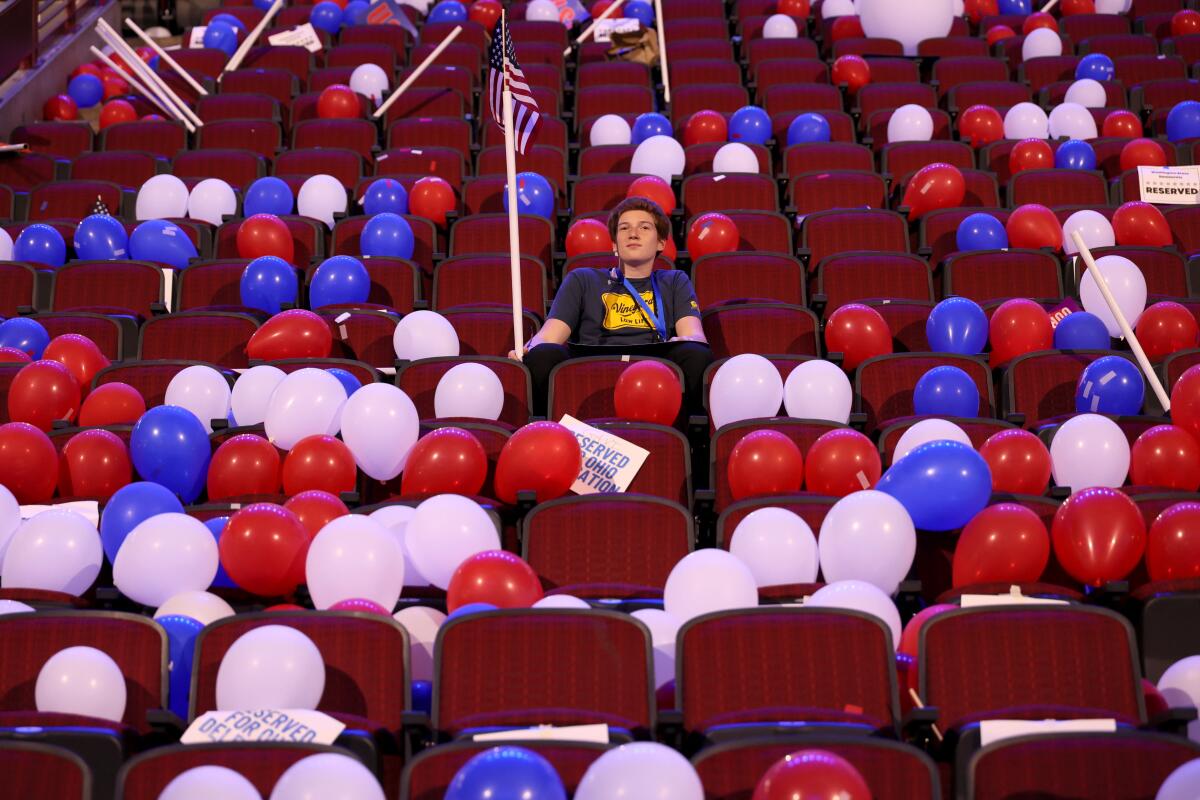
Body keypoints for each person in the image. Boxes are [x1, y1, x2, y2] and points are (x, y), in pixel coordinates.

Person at [511, 196, 714, 417]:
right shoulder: (583, 279)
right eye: (624, 228)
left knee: (695, 354)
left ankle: (681, 432)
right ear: (614, 244)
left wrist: (689, 340)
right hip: (590, 362)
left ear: (661, 243)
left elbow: (694, 335)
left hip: (654, 366)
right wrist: (531, 347)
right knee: (543, 356)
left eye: (644, 227)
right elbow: (550, 336)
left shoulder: (674, 280)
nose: (633, 233)